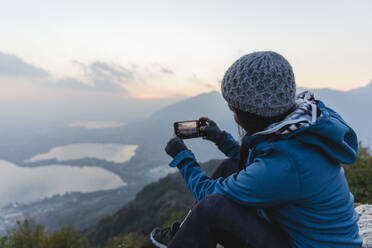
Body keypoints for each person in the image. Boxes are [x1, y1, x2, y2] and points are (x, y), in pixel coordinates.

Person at [150, 51, 362, 248]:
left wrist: (182, 157)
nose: (233, 114)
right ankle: (186, 234)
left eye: (233, 108)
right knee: (228, 167)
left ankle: (186, 238)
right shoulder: (298, 125)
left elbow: (209, 193)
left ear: (251, 114)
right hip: (301, 235)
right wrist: (220, 138)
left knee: (211, 208)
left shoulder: (287, 164)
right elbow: (260, 165)